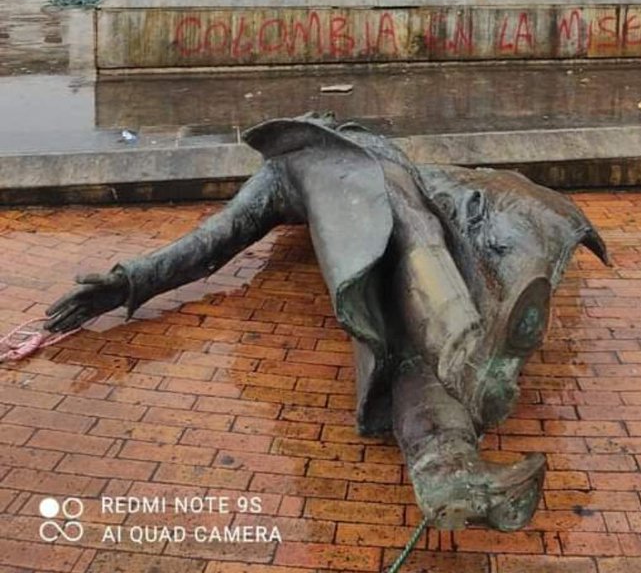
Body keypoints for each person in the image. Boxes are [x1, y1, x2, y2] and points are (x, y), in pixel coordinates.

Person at [44, 114, 607, 532]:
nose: (341, 121)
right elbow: (216, 238)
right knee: (411, 256)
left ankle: (448, 472)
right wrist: (131, 280)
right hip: (396, 230)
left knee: (401, 343)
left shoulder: (382, 152)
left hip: (412, 216)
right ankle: (467, 355)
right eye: (333, 119)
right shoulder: (287, 164)